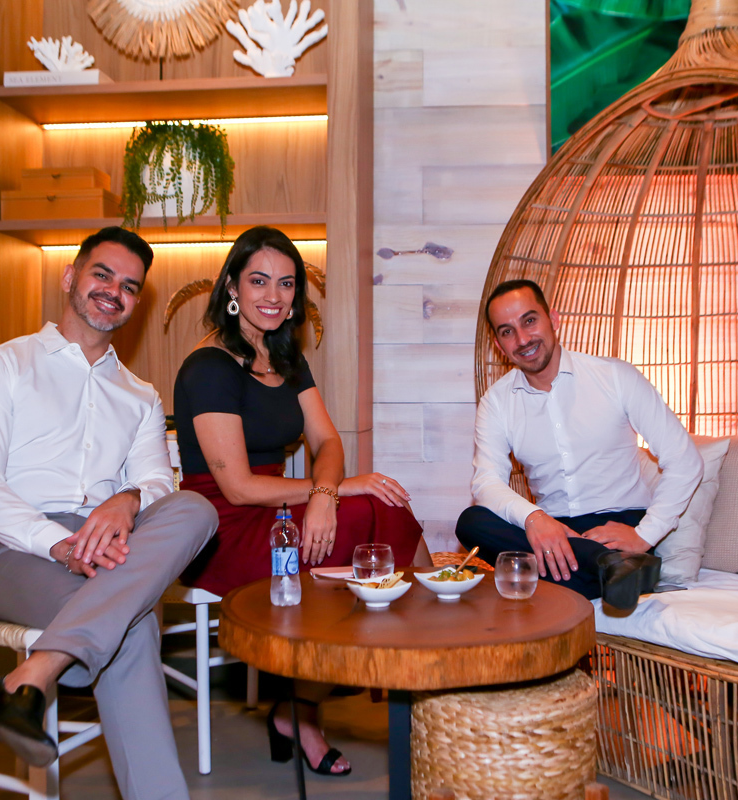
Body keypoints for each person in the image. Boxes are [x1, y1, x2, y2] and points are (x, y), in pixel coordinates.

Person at [0, 227, 218, 800]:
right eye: (102, 274)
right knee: (131, 625)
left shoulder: (141, 395)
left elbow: (155, 481)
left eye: (130, 286)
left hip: (103, 543)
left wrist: (128, 499)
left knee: (195, 508)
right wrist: (57, 541)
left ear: (136, 301)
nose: (114, 291)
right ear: (70, 276)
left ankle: (32, 675)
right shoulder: (5, 364)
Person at [175, 226, 428, 777]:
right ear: (232, 287)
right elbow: (238, 488)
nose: (274, 295)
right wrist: (326, 492)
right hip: (221, 528)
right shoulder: (209, 367)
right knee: (376, 515)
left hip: (281, 511)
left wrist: (325, 495)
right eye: (259, 281)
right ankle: (395, 690)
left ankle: (406, 675)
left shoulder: (285, 357)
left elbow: (328, 442)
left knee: (387, 509)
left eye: (286, 284)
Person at [456, 279, 703, 608]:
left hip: (620, 525)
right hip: (550, 531)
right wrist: (535, 519)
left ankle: (598, 568)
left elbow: (685, 460)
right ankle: (612, 571)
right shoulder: (497, 402)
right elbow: (486, 482)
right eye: (507, 331)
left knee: (528, 567)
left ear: (553, 319)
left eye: (530, 320)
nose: (523, 339)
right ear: (499, 346)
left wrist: (644, 536)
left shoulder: (615, 376)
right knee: (472, 522)